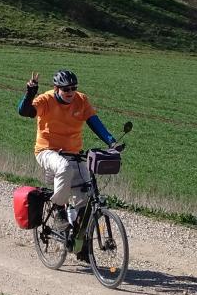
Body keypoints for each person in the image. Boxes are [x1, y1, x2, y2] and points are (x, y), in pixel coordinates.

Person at [17, 70, 121, 257]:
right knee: (63, 168)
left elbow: (94, 122)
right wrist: (30, 91)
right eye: (66, 89)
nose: (70, 92)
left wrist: (111, 142)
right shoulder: (46, 99)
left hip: (73, 153)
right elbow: (25, 111)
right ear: (57, 88)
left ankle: (81, 246)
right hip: (47, 151)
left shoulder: (81, 100)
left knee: (87, 197)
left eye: (73, 88)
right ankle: (58, 209)